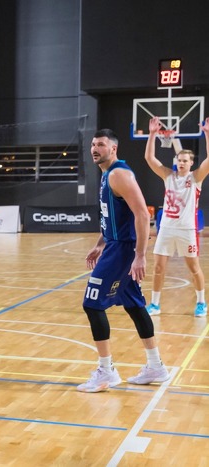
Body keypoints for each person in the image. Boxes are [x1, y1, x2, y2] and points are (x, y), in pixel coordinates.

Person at [77, 128, 169, 393]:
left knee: (92, 304)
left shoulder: (119, 174)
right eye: (93, 144)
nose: (95, 149)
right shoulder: (108, 174)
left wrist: (139, 255)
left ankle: (106, 371)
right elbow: (113, 217)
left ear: (113, 148)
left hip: (123, 250)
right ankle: (156, 366)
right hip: (115, 246)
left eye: (101, 144)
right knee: (134, 305)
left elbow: (142, 214)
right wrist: (100, 243)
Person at [144, 116, 209, 317]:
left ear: (191, 163)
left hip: (186, 230)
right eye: (179, 160)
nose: (181, 163)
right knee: (158, 268)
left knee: (194, 268)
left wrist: (207, 134)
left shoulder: (195, 178)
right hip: (166, 228)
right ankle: (155, 304)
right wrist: (152, 134)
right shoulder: (168, 176)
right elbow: (149, 158)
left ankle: (201, 302)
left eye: (185, 161)